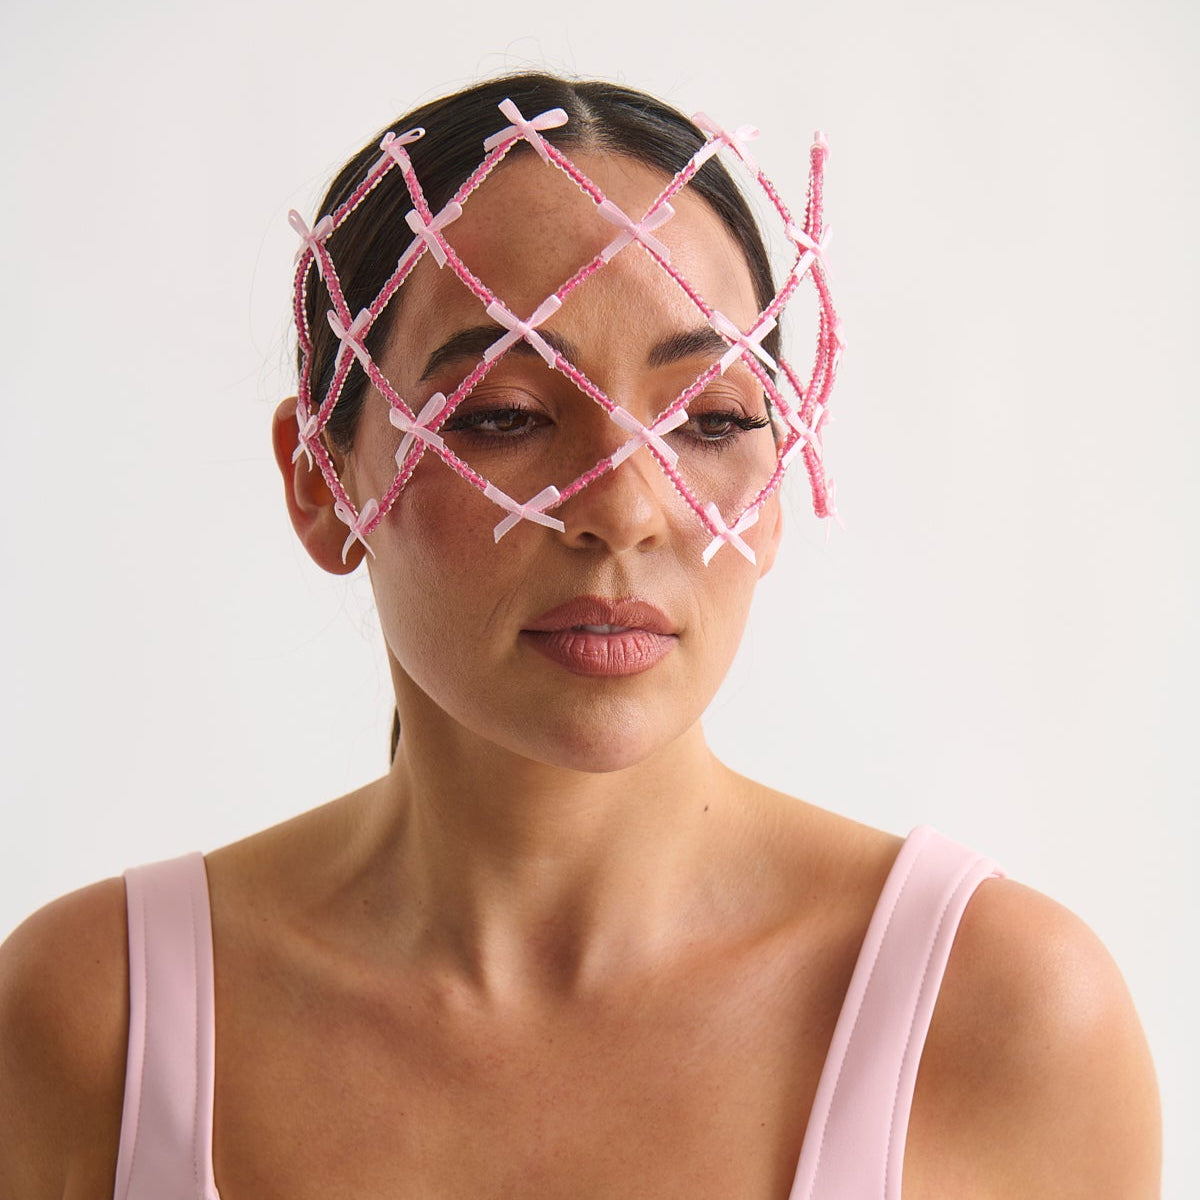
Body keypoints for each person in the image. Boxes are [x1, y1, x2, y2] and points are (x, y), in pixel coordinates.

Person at [0, 72, 1159, 1199]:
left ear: (776, 487)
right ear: (321, 484)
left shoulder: (1000, 1019)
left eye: (711, 420)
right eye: (505, 417)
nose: (625, 509)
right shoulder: (94, 1022)